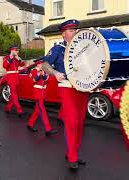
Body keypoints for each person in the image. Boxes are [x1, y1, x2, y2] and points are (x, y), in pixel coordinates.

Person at [42, 19, 88, 169]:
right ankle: (72, 158)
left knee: (80, 124)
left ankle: (72, 152)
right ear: (63, 34)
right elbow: (45, 64)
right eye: (71, 30)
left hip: (83, 88)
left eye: (75, 29)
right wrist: (55, 73)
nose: (75, 32)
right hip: (67, 87)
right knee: (72, 122)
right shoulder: (58, 48)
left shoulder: (84, 48)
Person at [26, 60, 57, 136]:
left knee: (37, 110)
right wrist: (38, 75)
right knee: (42, 110)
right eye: (42, 64)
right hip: (37, 93)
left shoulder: (43, 71)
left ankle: (30, 123)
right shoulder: (34, 71)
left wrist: (43, 75)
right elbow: (31, 81)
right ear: (38, 64)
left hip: (42, 93)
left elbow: (47, 80)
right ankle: (48, 129)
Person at [2, 45, 25, 117]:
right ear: (12, 50)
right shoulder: (6, 57)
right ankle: (20, 111)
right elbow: (5, 65)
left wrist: (18, 58)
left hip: (17, 78)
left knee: (14, 95)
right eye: (16, 50)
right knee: (15, 96)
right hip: (11, 78)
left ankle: (8, 108)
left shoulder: (17, 58)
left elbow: (23, 64)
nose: (17, 52)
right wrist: (11, 57)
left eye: (18, 50)